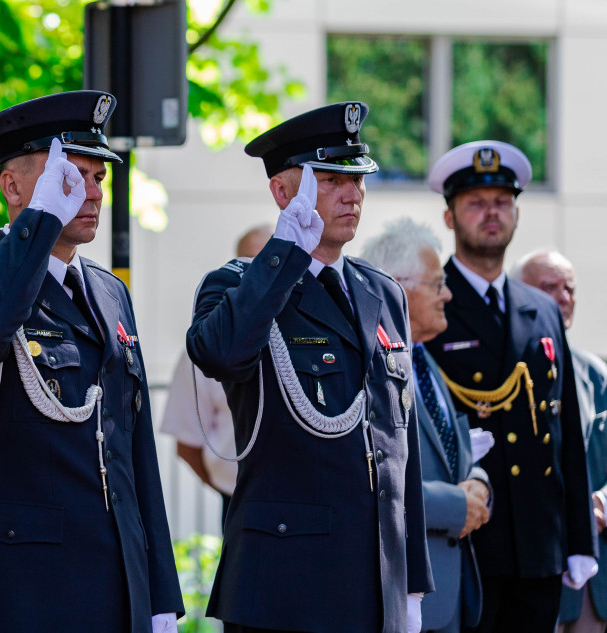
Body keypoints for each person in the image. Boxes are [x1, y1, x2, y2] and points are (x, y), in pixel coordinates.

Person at [0, 90, 184, 633]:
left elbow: (135, 455)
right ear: (13, 186)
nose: (88, 193)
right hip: (23, 591)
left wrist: (159, 592)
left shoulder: (110, 293)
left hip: (117, 585)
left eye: (97, 177)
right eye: (66, 176)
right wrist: (39, 220)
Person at [187, 101, 433, 633]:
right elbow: (219, 352)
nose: (352, 193)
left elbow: (399, 446)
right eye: (330, 178)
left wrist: (411, 583)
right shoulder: (239, 285)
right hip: (285, 587)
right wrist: (284, 250)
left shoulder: (382, 293)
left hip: (376, 585)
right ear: (282, 193)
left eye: (357, 178)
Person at [425, 141, 596, 633]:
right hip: (467, 543)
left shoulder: (539, 307)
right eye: (476, 203)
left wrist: (578, 539)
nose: (491, 213)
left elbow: (564, 427)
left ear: (517, 213)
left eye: (502, 202)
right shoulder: (430, 303)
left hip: (538, 546)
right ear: (450, 217)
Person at [362, 217, 493, 633]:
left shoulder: (424, 359)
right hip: (401, 596)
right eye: (438, 284)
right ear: (398, 287)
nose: (448, 294)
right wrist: (457, 504)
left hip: (447, 596)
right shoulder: (367, 365)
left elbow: (456, 449)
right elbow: (370, 479)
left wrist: (479, 483)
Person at [512, 249, 607, 633]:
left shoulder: (597, 374)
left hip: (592, 581)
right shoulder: (504, 370)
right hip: (529, 568)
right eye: (549, 287)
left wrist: (602, 501)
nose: (563, 297)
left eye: (570, 288)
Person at [161, 224, 272, 526]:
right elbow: (187, 446)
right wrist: (228, 491)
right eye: (249, 265)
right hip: (239, 501)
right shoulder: (205, 347)